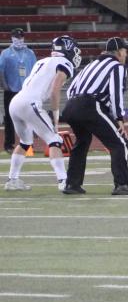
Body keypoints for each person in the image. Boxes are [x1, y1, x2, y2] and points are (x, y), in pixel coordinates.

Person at [59, 37, 128, 195]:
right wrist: (119, 118)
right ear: (119, 52)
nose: (126, 54)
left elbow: (70, 89)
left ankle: (72, 184)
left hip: (70, 105)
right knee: (119, 142)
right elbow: (116, 94)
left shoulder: (90, 65)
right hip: (89, 105)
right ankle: (122, 184)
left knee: (81, 143)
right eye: (125, 51)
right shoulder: (117, 66)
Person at [5, 35, 78, 191]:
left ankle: (12, 180)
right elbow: (54, 91)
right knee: (54, 140)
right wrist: (56, 117)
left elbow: (28, 83)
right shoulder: (64, 63)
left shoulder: (41, 61)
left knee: (25, 142)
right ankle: (63, 181)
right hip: (30, 103)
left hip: (16, 101)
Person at [1, 28, 37, 153]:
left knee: (28, 117)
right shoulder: (5, 53)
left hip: (26, 91)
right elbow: (1, 70)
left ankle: (28, 145)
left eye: (21, 37)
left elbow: (35, 71)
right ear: (11, 37)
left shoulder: (30, 53)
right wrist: (5, 85)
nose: (19, 39)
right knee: (10, 118)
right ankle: (9, 144)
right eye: (16, 37)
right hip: (11, 90)